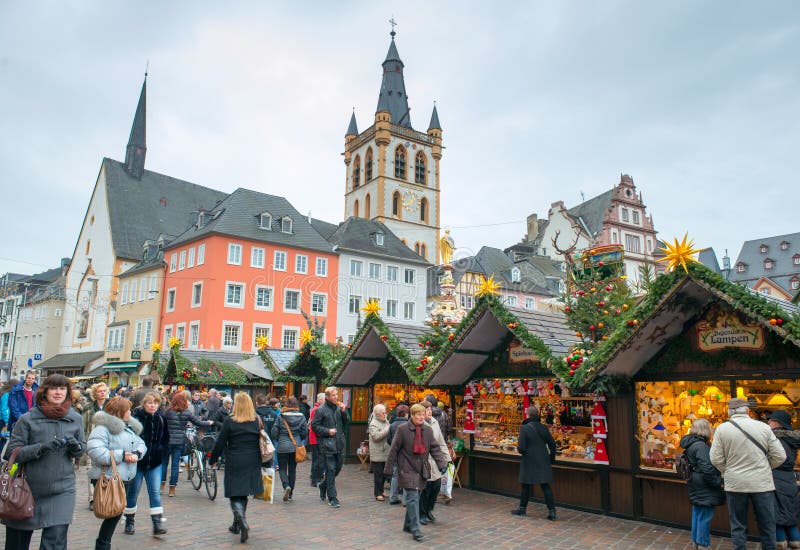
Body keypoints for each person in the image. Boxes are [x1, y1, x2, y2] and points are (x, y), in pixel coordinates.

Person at [3, 374, 86, 550]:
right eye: (53, 388)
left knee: (55, 542)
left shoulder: (75, 418)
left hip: (62, 489)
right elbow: (12, 453)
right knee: (17, 543)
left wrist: (76, 447)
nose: (58, 392)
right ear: (44, 392)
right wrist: (41, 448)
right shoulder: (27, 419)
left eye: (62, 388)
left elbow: (82, 450)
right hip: (26, 489)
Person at [710, 398, 786, 550]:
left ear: (729, 412)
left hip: (735, 484)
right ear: (747, 411)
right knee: (767, 524)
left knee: (738, 525)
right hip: (761, 484)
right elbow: (780, 456)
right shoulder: (763, 427)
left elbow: (715, 458)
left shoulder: (722, 429)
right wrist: (765, 467)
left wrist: (728, 471)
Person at [383, 403, 449, 542]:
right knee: (412, 497)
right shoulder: (402, 429)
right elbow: (393, 449)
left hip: (422, 469)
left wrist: (442, 464)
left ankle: (408, 525)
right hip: (406, 467)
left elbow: (435, 449)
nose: (421, 417)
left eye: (422, 414)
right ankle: (415, 528)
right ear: (412, 415)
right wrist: (388, 470)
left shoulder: (428, 430)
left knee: (416, 497)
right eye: (418, 414)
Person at [87, 397, 146, 550]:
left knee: (117, 512)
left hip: (124, 476)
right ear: (119, 412)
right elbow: (95, 451)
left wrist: (137, 453)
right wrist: (122, 455)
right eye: (127, 410)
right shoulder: (102, 429)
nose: (130, 413)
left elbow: (140, 443)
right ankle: (103, 544)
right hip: (108, 477)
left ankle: (103, 543)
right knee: (114, 512)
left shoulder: (129, 427)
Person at [209, 393, 263, 543]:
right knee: (244, 492)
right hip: (252, 460)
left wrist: (212, 459)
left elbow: (220, 442)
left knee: (234, 493)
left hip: (234, 459)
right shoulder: (256, 420)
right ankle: (237, 524)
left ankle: (241, 520)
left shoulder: (230, 421)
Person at [126, 392, 170, 536]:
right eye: (150, 402)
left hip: (155, 462)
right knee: (133, 493)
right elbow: (129, 438)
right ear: (144, 404)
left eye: (155, 403)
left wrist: (161, 450)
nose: (153, 405)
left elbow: (165, 438)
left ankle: (157, 524)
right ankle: (129, 522)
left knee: (155, 492)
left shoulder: (162, 418)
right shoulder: (136, 418)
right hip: (137, 462)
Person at [679, 418, 725, 550]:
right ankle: (703, 543)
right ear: (706, 430)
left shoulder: (691, 443)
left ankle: (696, 540)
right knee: (705, 514)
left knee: (698, 512)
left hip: (695, 481)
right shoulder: (701, 446)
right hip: (704, 484)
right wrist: (717, 481)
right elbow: (707, 469)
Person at [161, 391, 213, 497]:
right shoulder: (186, 412)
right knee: (175, 465)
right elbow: (198, 423)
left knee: (164, 464)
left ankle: (161, 487)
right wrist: (208, 422)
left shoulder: (168, 411)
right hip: (179, 441)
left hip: (167, 441)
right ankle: (172, 489)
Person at [511, 405, 558, 520]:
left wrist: (525, 451)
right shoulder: (543, 427)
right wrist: (551, 458)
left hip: (529, 460)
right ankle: (552, 512)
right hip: (543, 459)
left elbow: (521, 448)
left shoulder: (525, 428)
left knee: (526, 485)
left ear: (527, 415)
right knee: (545, 485)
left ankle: (522, 509)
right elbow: (552, 444)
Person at [766, 410, 800, 550]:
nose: (768, 422)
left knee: (776, 517)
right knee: (790, 518)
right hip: (789, 480)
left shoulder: (775, 439)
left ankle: (780, 544)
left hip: (775, 480)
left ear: (778, 423)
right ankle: (795, 543)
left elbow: (778, 460)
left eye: (771, 420)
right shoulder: (791, 439)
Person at [311, 386, 349, 508]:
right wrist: (327, 431)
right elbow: (314, 426)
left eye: (337, 395)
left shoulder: (339, 408)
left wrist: (344, 411)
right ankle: (333, 498)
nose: (336, 397)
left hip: (338, 443)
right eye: (333, 395)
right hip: (327, 445)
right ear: (327, 397)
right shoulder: (321, 410)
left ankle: (323, 485)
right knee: (331, 470)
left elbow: (346, 422)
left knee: (337, 468)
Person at [271, 396, 308, 502]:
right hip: (295, 446)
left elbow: (274, 431)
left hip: (282, 446)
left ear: (286, 404)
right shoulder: (301, 417)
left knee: (282, 468)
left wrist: (278, 439)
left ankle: (286, 485)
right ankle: (291, 493)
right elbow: (304, 432)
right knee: (292, 469)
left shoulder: (281, 416)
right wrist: (299, 439)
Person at [419, 400, 449, 524]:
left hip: (435, 460)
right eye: (427, 410)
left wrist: (447, 458)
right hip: (423, 462)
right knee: (425, 489)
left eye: (430, 409)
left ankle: (429, 509)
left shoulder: (435, 423)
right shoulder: (419, 425)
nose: (430, 411)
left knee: (436, 486)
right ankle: (422, 513)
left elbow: (441, 442)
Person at [387, 404, 410, 505]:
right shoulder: (409, 425)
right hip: (406, 453)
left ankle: (393, 497)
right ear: (406, 414)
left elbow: (389, 440)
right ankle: (405, 500)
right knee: (406, 475)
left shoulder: (392, 425)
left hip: (395, 453)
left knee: (395, 475)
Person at [368, 404, 391, 501]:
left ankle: (381, 490)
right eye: (383, 412)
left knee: (385, 473)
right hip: (378, 452)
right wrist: (387, 429)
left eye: (385, 412)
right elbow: (376, 437)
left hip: (386, 451)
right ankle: (377, 493)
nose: (385, 413)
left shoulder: (385, 421)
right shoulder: (373, 423)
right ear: (377, 414)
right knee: (378, 474)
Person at [308, 392, 325, 486]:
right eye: (325, 399)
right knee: (318, 459)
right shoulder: (317, 409)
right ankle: (315, 479)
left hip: (316, 437)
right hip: (316, 438)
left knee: (317, 459)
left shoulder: (316, 408)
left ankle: (314, 477)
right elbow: (315, 425)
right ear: (321, 400)